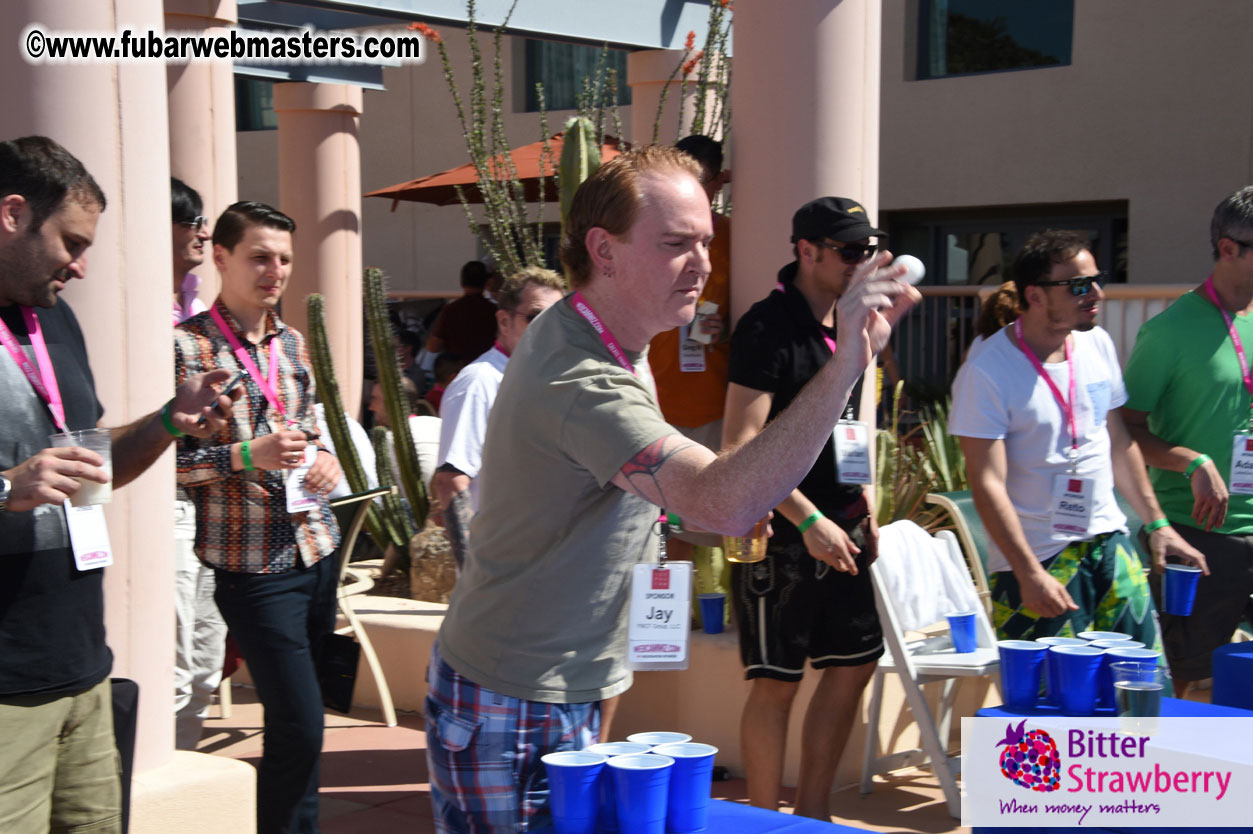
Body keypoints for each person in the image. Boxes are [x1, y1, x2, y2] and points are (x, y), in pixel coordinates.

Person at [424, 145, 919, 832]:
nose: (703, 263)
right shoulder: (582, 376)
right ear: (604, 249)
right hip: (517, 695)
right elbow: (723, 496)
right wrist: (845, 366)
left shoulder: (615, 341)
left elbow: (620, 495)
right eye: (674, 243)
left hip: (558, 683)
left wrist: (689, 520)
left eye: (706, 241)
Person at [0, 135, 236, 834]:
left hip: (81, 667)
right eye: (70, 242)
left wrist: (170, 419)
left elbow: (92, 465)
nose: (78, 266)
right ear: (12, 213)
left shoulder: (54, 320)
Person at [949, 229, 1206, 647]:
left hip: (1109, 542)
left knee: (1143, 684)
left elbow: (1119, 443)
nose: (1097, 294)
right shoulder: (987, 370)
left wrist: (1158, 524)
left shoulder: (1096, 344)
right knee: (1051, 705)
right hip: (1038, 558)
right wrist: (1028, 573)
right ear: (1035, 296)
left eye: (1096, 280)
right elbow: (986, 483)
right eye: (1079, 286)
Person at [174, 201, 342, 834]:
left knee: (301, 723)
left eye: (285, 259)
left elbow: (307, 424)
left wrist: (322, 455)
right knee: (300, 722)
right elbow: (172, 466)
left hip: (316, 546)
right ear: (220, 257)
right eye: (260, 258)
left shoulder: (290, 341)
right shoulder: (187, 348)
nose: (276, 271)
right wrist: (250, 453)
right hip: (252, 564)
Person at [722, 196, 885, 817]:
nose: (860, 261)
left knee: (853, 665)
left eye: (866, 249)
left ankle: (813, 814)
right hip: (785, 533)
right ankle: (766, 820)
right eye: (849, 250)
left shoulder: (851, 323)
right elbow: (741, 443)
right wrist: (810, 520)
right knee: (775, 683)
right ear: (806, 251)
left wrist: (862, 490)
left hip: (843, 527)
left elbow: (848, 419)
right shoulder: (768, 327)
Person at [1122, 186, 1253, 696]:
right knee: (1197, 685)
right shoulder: (1170, 331)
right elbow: (1126, 429)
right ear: (1227, 249)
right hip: (1199, 536)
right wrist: (1191, 460)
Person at [646, 135, 734, 607]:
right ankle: (661, 629)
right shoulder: (648, 235)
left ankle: (689, 628)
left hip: (713, 403)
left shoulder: (736, 240)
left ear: (718, 182)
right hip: (653, 404)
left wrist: (727, 327)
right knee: (661, 533)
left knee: (715, 527)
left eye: (699, 182)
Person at [432, 266, 564, 571]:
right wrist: (473, 573)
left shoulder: (542, 379)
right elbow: (451, 481)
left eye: (558, 319)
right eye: (536, 317)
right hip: (504, 566)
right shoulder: (480, 382)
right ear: (504, 321)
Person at [170, 178, 230, 750]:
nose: (202, 233)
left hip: (209, 495)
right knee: (176, 649)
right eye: (191, 222)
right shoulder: (134, 309)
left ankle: (184, 755)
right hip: (163, 496)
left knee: (206, 656)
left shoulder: (198, 311)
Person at [425, 260, 497, 361]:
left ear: (462, 282)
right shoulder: (494, 311)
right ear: (485, 283)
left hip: (458, 369)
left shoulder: (451, 310)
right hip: (487, 366)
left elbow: (433, 347)